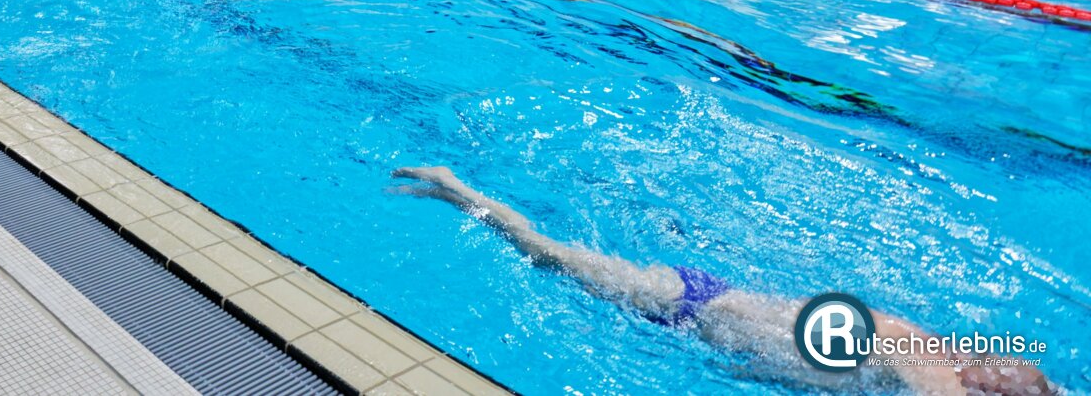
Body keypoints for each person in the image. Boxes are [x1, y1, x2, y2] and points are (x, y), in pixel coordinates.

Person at [394, 167, 1054, 396]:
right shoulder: (926, 365)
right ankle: (458, 190)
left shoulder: (933, 352)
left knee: (559, 255)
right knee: (548, 255)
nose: (1008, 368)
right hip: (683, 305)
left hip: (707, 308)